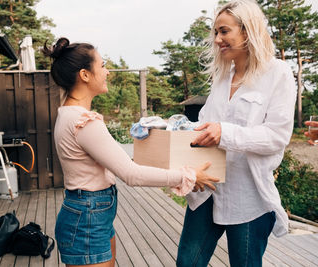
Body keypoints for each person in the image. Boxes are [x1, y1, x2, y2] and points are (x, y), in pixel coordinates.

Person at [43, 37, 219, 267]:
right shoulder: (83, 121)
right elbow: (131, 175)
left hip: (89, 213)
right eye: (102, 65)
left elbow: (116, 161)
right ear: (85, 75)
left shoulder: (69, 114)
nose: (107, 72)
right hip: (88, 218)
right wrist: (189, 176)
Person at [176, 1, 297, 266]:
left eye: (224, 31)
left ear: (247, 30)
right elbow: (205, 125)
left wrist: (224, 133)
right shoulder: (222, 77)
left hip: (248, 196)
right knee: (187, 262)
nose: (217, 39)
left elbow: (276, 137)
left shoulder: (279, 74)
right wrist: (173, 134)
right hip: (208, 187)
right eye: (216, 33)